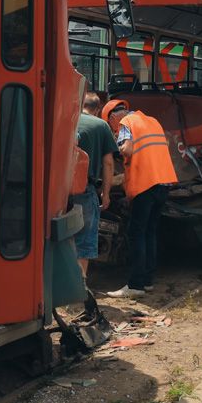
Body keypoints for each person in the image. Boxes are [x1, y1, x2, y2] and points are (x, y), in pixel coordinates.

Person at [100, 98, 177, 298]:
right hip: (164, 183)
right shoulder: (152, 120)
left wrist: (114, 151)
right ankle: (147, 280)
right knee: (150, 232)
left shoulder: (126, 124)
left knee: (136, 234)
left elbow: (127, 149)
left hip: (145, 184)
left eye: (111, 126)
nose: (113, 130)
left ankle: (135, 285)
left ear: (114, 117)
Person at [73, 92, 117, 283]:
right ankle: (78, 285)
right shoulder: (101, 125)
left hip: (58, 189)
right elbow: (108, 163)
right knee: (84, 239)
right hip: (84, 188)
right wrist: (105, 194)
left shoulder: (68, 119)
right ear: (98, 109)